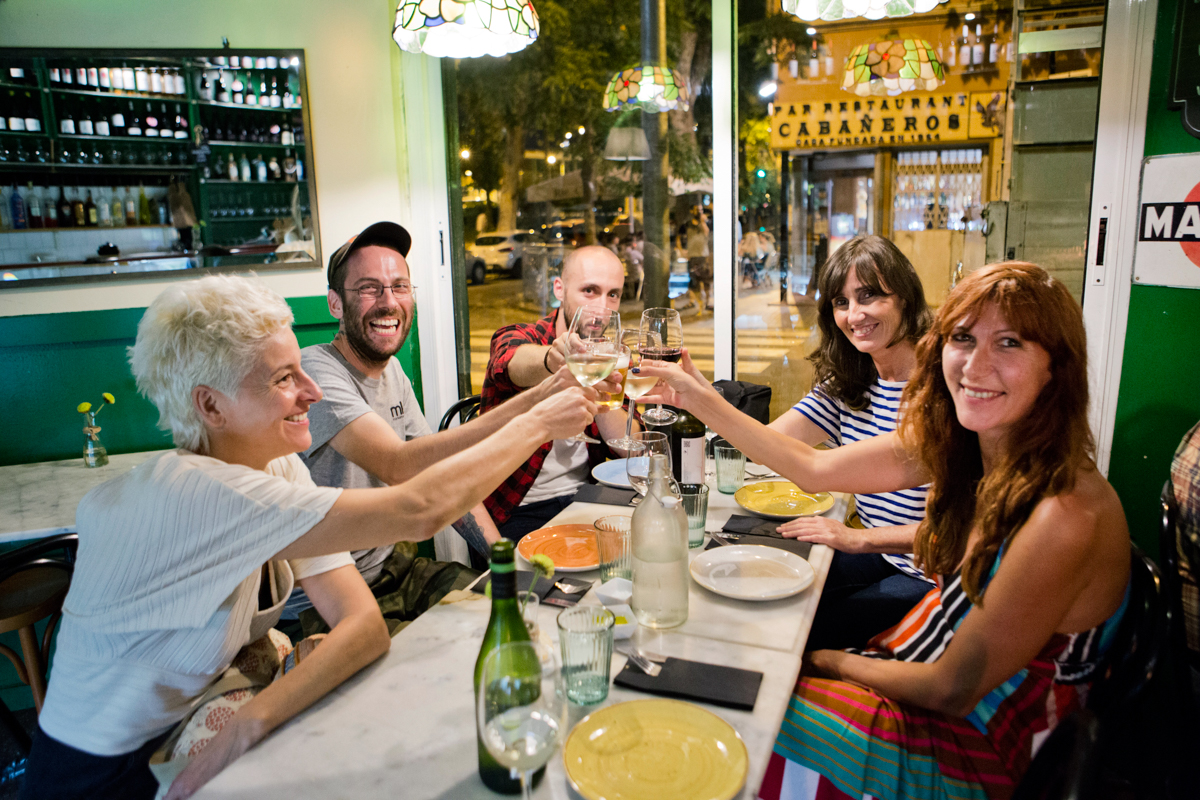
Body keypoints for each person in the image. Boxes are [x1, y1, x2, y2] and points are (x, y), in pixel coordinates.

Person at [23, 275, 593, 800]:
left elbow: (364, 627)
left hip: (191, 733)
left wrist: (248, 724)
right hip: (101, 774)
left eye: (301, 368)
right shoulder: (194, 492)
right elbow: (419, 509)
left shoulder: (274, 463)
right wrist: (539, 421)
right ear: (210, 405)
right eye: (283, 379)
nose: (312, 391)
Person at [639, 262, 1130, 799]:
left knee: (722, 707)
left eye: (1009, 342)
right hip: (920, 669)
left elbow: (951, 690)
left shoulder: (1064, 512)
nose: (976, 365)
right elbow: (813, 467)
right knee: (723, 670)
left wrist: (826, 661)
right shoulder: (975, 444)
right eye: (964, 338)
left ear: (1058, 366)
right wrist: (697, 395)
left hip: (974, 749)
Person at [288, 222, 581, 625]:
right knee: (457, 647)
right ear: (335, 303)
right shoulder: (315, 371)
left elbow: (441, 474)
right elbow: (397, 463)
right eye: (370, 288)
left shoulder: (392, 373)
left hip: (393, 569)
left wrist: (505, 563)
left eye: (399, 287)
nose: (389, 302)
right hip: (324, 602)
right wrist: (536, 404)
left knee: (514, 612)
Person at [768, 235, 934, 650]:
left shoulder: (943, 386)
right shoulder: (851, 378)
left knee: (799, 634)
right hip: (879, 554)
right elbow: (771, 443)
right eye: (841, 302)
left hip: (932, 574)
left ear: (904, 298)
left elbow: (954, 532)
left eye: (868, 296)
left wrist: (857, 539)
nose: (854, 315)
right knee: (771, 587)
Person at [481, 245, 636, 542]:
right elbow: (510, 362)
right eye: (589, 291)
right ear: (559, 289)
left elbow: (629, 445)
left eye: (613, 295)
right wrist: (551, 360)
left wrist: (602, 383)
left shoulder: (611, 355)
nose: (601, 308)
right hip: (520, 507)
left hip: (588, 497)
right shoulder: (522, 336)